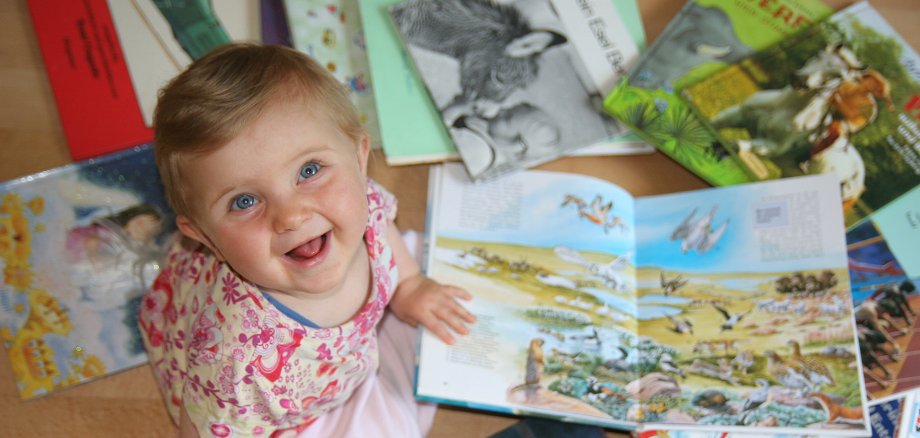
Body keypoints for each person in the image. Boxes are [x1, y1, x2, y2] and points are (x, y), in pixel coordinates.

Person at [137, 43, 476, 437]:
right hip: (285, 410)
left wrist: (411, 284)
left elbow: (382, 228)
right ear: (205, 237)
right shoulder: (235, 364)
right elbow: (203, 428)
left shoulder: (359, 203)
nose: (291, 215)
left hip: (338, 366)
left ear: (358, 156)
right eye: (244, 201)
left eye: (309, 170)